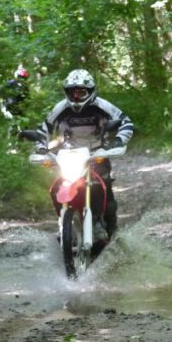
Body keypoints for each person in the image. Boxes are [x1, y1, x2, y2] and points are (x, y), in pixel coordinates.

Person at [34, 69, 134, 239]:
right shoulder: (61, 107)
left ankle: (111, 228)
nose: (76, 96)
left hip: (97, 153)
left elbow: (126, 122)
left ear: (90, 91)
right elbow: (44, 128)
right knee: (57, 187)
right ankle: (63, 224)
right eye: (72, 92)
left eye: (81, 92)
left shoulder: (102, 105)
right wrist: (41, 146)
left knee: (104, 186)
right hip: (68, 155)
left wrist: (118, 140)